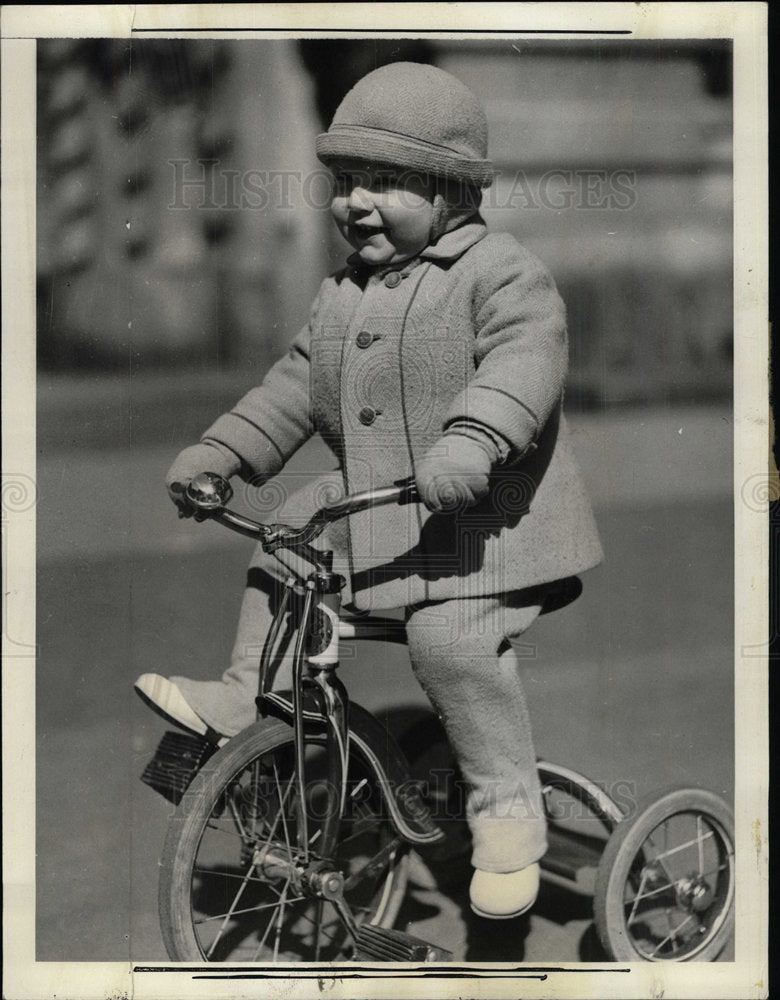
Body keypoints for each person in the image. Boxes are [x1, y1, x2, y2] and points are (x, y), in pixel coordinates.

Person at [135, 61, 603, 920]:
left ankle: (506, 810)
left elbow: (522, 365)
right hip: (387, 511)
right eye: (345, 180)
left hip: (490, 527)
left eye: (383, 181)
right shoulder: (343, 293)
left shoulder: (503, 274)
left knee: (450, 640)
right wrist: (224, 454)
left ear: (453, 191)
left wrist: (474, 438)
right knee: (287, 541)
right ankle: (249, 692)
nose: (354, 202)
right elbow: (291, 387)